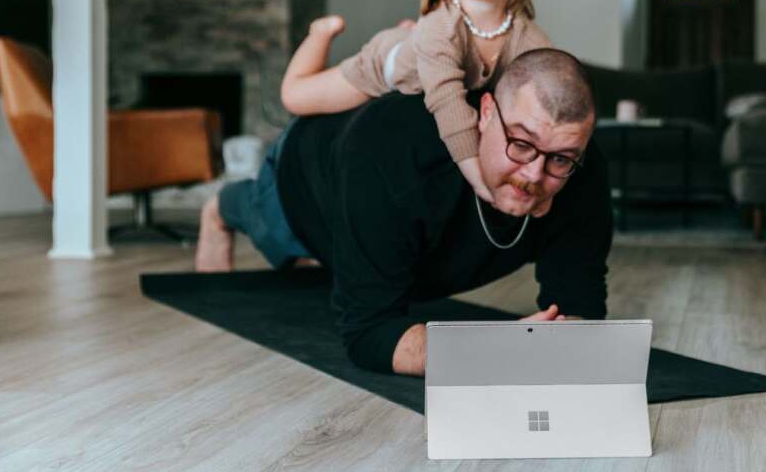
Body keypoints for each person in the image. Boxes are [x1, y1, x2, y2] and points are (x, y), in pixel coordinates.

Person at [195, 48, 612, 376]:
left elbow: (579, 307)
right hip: (307, 179)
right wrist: (493, 350)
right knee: (269, 227)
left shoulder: (580, 170)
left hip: (401, 227)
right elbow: (368, 334)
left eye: (560, 159)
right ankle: (222, 207)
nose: (534, 175)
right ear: (485, 114)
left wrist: (560, 338)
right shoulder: (389, 162)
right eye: (520, 144)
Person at [279, 0, 551, 204]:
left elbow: (550, 102)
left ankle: (410, 36)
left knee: (424, 43)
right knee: (295, 97)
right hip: (384, 65)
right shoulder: (441, 29)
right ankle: (321, 32)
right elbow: (449, 106)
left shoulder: (530, 38)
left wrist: (543, 188)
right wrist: (482, 184)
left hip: (423, 45)